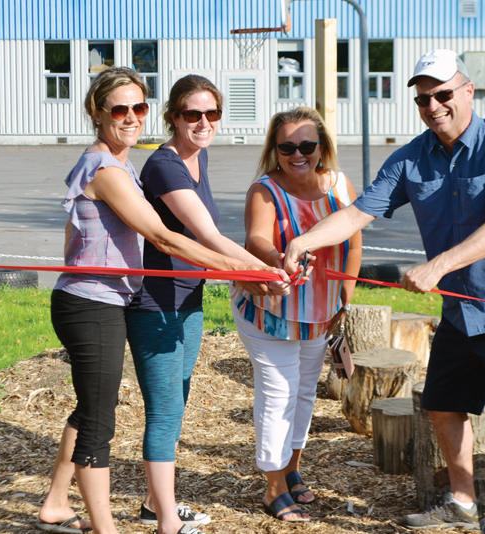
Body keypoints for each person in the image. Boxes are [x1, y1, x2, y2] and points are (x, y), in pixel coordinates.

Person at [283, 50, 485, 534]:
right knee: (444, 405)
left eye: (443, 94)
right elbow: (358, 212)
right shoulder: (411, 157)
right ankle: (464, 502)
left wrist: (440, 265)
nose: (433, 105)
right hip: (461, 308)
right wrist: (303, 241)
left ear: (468, 91)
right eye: (423, 98)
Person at [36, 67, 278, 534]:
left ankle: (54, 503)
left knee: (92, 407)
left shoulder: (119, 162)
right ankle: (107, 528)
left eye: (138, 108)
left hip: (104, 298)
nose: (131, 117)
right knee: (98, 421)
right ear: (97, 112)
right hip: (92, 302)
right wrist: (244, 271)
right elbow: (164, 238)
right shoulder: (106, 168)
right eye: (120, 109)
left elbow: (76, 232)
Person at [125, 75, 289, 534]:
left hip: (188, 299)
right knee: (164, 411)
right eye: (191, 114)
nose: (202, 122)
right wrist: (260, 273)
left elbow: (212, 243)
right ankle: (167, 524)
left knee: (177, 397)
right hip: (153, 304)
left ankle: (154, 502)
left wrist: (262, 270)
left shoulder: (198, 159)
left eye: (211, 113)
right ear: (173, 117)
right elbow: (208, 237)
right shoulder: (164, 166)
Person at [230, 107, 362, 522]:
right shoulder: (265, 190)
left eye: (307, 145)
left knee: (304, 394)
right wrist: (278, 257)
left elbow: (353, 243)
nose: (297, 153)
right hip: (270, 312)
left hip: (321, 312)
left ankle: (290, 469)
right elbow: (255, 239)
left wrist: (346, 298)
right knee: (278, 395)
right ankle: (273, 488)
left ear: (322, 147)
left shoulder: (340, 185)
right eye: (287, 146)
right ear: (275, 149)